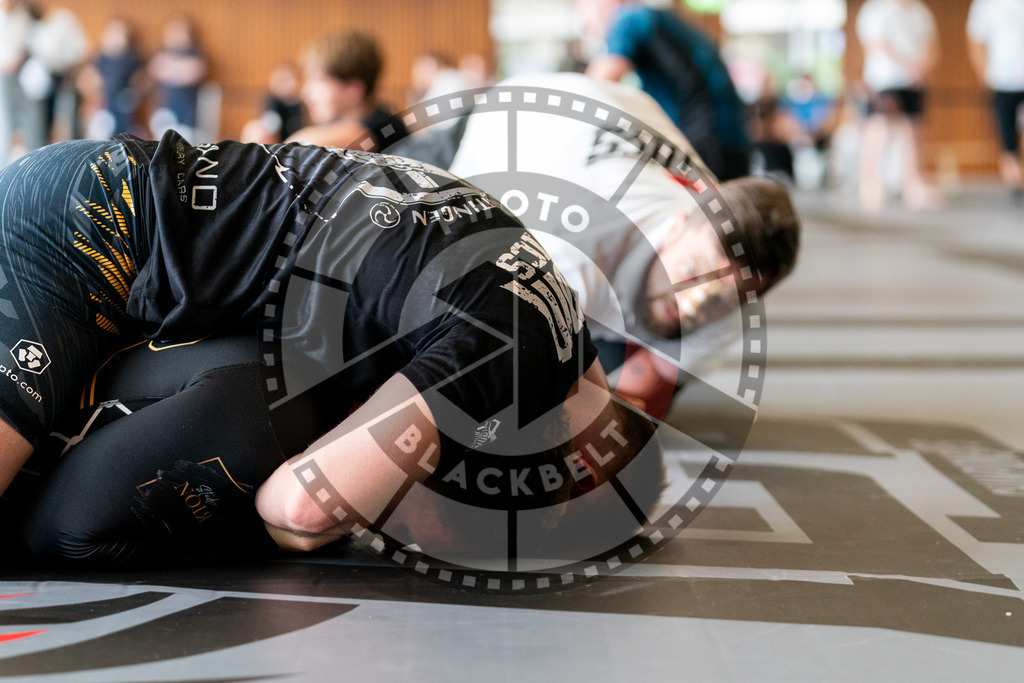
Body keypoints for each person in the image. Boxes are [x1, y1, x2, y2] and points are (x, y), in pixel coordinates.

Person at [0, 129, 654, 562]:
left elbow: (591, 413)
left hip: (128, 204)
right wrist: (335, 514)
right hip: (86, 231)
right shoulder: (493, 358)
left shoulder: (557, 327)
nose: (394, 532)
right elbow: (298, 507)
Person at [387, 73, 800, 417]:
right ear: (676, 225)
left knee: (607, 403)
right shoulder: (568, 255)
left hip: (624, 120)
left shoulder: (727, 306)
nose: (694, 305)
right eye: (690, 272)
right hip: (509, 121)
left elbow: (633, 405)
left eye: (721, 299)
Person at [577, 0, 751, 181]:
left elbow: (595, 87)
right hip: (729, 141)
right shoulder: (658, 19)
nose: (585, 22)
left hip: (707, 143)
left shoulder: (629, 18)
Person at [855, 0, 939, 211]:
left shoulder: (920, 12)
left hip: (913, 83)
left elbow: (931, 45)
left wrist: (921, 68)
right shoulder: (874, 10)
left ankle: (912, 184)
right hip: (884, 81)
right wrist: (907, 65)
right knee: (878, 130)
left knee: (912, 131)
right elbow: (876, 44)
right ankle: (870, 184)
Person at [287, 31, 408, 151]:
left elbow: (293, 150)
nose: (305, 93)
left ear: (353, 90)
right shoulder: (379, 118)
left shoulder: (377, 130)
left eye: (320, 80)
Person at [967, 0, 1024, 204]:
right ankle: (1015, 185)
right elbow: (975, 39)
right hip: (1001, 81)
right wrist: (984, 75)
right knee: (1007, 135)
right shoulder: (986, 5)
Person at [0, 0, 45, 166]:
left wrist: (17, 60)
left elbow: (28, 47)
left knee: (30, 124)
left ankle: (35, 164)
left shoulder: (22, 18)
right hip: (6, 77)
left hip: (23, 78)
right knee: (6, 125)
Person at [147, 15, 207, 137]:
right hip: (162, 111)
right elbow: (156, 70)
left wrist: (171, 69)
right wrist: (179, 69)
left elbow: (194, 72)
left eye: (180, 31)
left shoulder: (196, 53)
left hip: (188, 114)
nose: (176, 36)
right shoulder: (159, 51)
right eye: (173, 31)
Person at [89, 16, 144, 137]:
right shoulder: (99, 58)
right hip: (103, 103)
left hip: (124, 104)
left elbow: (141, 80)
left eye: (120, 34)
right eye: (112, 33)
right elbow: (88, 79)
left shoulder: (132, 58)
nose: (116, 38)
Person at [240, 62, 305, 144]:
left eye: (288, 80)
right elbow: (268, 124)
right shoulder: (272, 102)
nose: (285, 85)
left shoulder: (302, 103)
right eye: (281, 81)